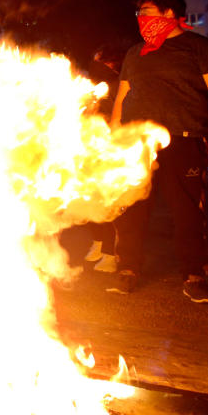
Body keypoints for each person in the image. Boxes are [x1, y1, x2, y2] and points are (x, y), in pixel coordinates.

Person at [108, 0, 208, 302]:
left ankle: (194, 276)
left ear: (169, 14)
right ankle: (128, 269)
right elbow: (123, 99)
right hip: (137, 144)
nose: (141, 18)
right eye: (139, 14)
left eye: (147, 11)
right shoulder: (136, 52)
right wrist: (113, 142)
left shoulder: (201, 48)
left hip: (184, 139)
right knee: (131, 209)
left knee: (187, 212)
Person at [84, 45, 124, 272]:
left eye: (102, 61)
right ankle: (99, 242)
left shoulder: (119, 86)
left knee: (110, 203)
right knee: (88, 200)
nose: (96, 66)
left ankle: (111, 252)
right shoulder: (95, 87)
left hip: (111, 149)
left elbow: (115, 116)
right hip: (92, 149)